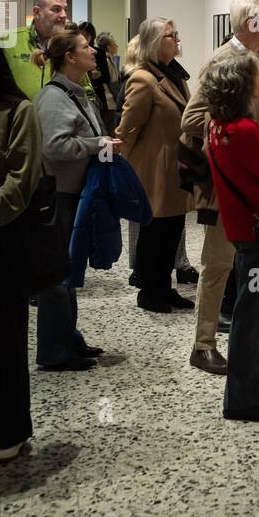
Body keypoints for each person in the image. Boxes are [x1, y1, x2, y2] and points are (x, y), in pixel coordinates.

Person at [181, 0, 259, 374]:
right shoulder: (224, 60)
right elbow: (190, 120)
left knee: (256, 268)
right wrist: (246, 131)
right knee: (217, 265)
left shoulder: (251, 58)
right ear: (251, 22)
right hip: (227, 185)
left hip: (251, 186)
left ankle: (258, 341)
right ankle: (203, 344)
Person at [196, 48, 259, 421]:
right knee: (251, 316)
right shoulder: (247, 131)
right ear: (242, 84)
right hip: (256, 234)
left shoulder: (218, 125)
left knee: (258, 310)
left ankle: (257, 384)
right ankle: (241, 399)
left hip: (239, 229)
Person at [33, 28, 120, 370]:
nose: (93, 51)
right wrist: (98, 145)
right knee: (57, 277)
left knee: (68, 271)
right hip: (60, 195)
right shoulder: (55, 98)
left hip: (74, 193)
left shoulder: (75, 92)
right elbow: (54, 147)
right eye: (86, 48)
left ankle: (68, 339)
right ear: (70, 58)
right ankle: (55, 352)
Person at [115, 17, 192, 313]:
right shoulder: (143, 79)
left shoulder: (175, 74)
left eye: (175, 34)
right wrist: (127, 167)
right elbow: (127, 129)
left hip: (174, 166)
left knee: (172, 229)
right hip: (153, 169)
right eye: (170, 35)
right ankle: (149, 291)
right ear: (154, 42)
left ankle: (164, 287)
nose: (176, 39)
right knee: (154, 231)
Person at [0, 49, 44, 458]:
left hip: (2, 240)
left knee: (5, 336)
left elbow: (20, 181)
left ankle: (9, 430)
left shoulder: (18, 111)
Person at [4, 0, 97, 103]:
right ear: (37, 12)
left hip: (61, 118)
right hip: (22, 118)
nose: (63, 15)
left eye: (65, 10)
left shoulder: (68, 44)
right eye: (56, 9)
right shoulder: (9, 41)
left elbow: (86, 89)